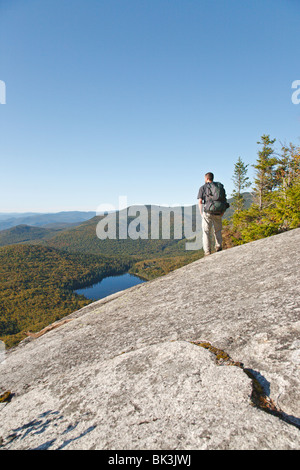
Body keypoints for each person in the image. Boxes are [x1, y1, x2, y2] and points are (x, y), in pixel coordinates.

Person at [197, 172, 229, 256]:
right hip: (219, 211)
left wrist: (201, 213)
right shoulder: (219, 187)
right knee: (218, 230)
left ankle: (207, 252)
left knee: (206, 232)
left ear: (206, 178)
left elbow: (200, 201)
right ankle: (218, 247)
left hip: (207, 212)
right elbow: (224, 200)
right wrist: (222, 211)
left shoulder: (203, 188)